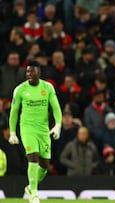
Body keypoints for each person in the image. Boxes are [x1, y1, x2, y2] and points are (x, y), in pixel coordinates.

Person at [8, 60, 62, 203]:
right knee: (33, 157)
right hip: (27, 128)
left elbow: (56, 108)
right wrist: (13, 132)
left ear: (39, 73)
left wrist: (58, 125)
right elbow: (14, 113)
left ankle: (31, 187)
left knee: (44, 165)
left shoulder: (48, 87)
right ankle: (34, 195)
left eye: (32, 71)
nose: (29, 74)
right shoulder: (20, 90)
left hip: (43, 130)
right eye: (27, 71)